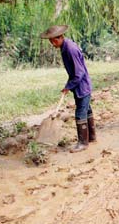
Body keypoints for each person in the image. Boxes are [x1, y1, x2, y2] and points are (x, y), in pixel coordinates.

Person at [40, 25, 95, 153]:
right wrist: (68, 85)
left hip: (82, 85)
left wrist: (68, 87)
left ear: (56, 39)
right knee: (87, 110)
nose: (51, 44)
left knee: (81, 112)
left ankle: (83, 143)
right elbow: (74, 72)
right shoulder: (65, 47)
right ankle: (91, 137)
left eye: (51, 41)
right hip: (80, 84)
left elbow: (79, 73)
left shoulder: (70, 49)